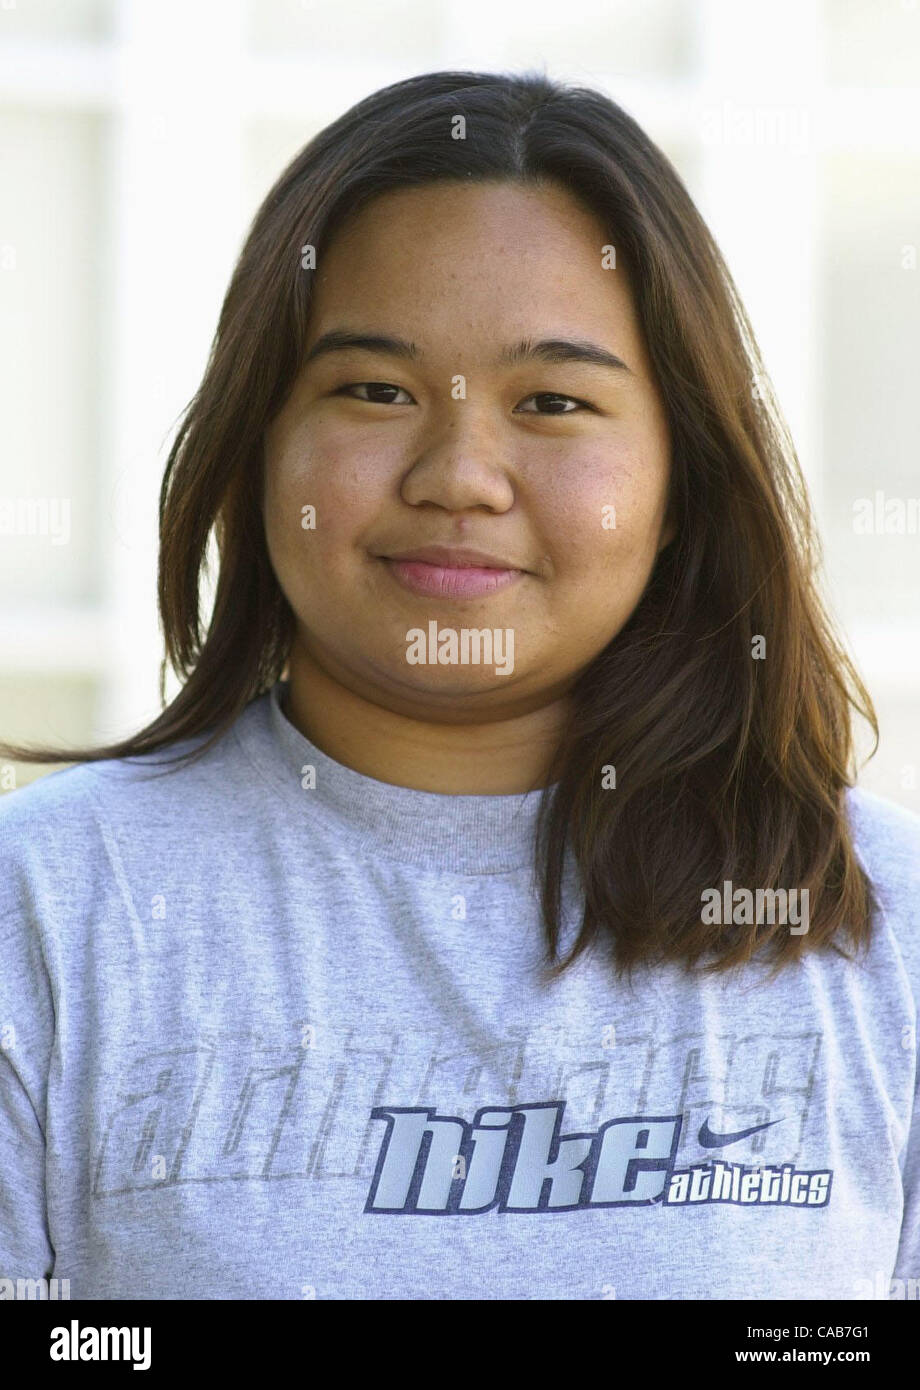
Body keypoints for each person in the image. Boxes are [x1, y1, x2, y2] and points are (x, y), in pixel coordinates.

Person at [0, 70, 917, 1301]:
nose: (457, 474)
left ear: (678, 478)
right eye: (373, 390)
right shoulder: (49, 909)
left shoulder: (880, 923)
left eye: (551, 402)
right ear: (257, 438)